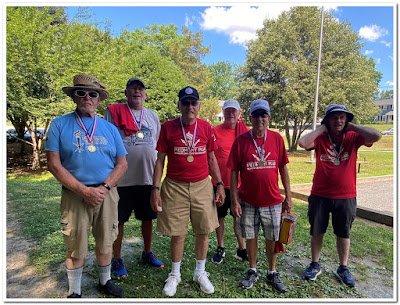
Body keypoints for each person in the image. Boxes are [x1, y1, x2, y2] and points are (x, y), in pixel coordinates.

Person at [46, 74, 128, 298]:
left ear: (99, 99)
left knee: (106, 241)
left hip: (106, 193)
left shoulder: (109, 129)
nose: (87, 98)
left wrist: (104, 187)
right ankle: (75, 291)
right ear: (74, 96)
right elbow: (53, 164)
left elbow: (122, 163)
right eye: (80, 92)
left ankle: (105, 281)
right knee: (75, 245)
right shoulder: (59, 125)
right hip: (75, 194)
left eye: (92, 94)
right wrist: (83, 190)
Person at [150, 86, 225, 297]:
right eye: (185, 102)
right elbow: (160, 160)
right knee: (178, 232)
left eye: (193, 103)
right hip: (174, 186)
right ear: (179, 105)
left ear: (198, 105)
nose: (190, 107)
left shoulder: (207, 128)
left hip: (202, 185)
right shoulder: (168, 128)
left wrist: (219, 184)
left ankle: (200, 272)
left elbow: (211, 158)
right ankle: (175, 274)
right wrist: (155, 188)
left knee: (203, 229)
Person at [298, 103, 381, 287]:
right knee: (317, 229)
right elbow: (303, 143)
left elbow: (376, 136)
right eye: (334, 117)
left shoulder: (353, 136)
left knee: (343, 232)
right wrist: (321, 128)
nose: (339, 120)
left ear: (347, 119)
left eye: (342, 117)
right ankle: (315, 264)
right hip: (320, 194)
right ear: (328, 120)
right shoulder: (320, 138)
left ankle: (343, 267)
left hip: (346, 195)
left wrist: (352, 126)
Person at [229, 99, 292, 293]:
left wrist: (288, 197)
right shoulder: (241, 141)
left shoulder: (277, 138)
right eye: (256, 115)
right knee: (251, 236)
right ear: (250, 117)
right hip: (248, 200)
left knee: (273, 237)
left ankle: (272, 271)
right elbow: (233, 172)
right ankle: (253, 269)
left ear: (269, 118)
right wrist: (234, 199)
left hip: (272, 200)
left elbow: (283, 168)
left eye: (263, 115)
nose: (260, 119)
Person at [105, 77, 164, 279]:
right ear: (126, 93)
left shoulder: (153, 116)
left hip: (147, 178)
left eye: (140, 89)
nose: (136, 92)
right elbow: (107, 140)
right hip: (121, 179)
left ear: (145, 94)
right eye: (132, 89)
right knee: (118, 220)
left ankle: (147, 253)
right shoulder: (113, 112)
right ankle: (117, 258)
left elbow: (155, 144)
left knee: (148, 218)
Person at [211, 100, 249, 264]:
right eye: (228, 111)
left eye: (234, 111)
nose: (231, 114)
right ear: (223, 112)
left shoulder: (245, 132)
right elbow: (209, 156)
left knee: (238, 217)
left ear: (239, 113)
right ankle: (220, 247)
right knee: (219, 217)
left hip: (240, 185)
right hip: (220, 183)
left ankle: (242, 249)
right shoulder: (215, 131)